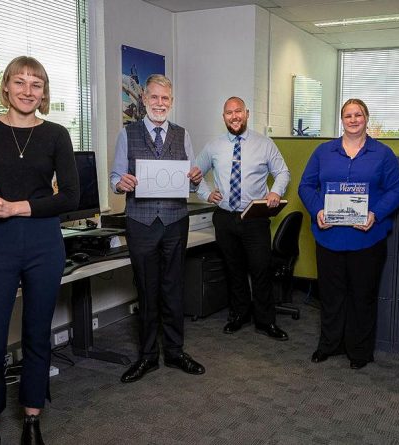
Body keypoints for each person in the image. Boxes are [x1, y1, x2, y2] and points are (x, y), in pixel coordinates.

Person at [0, 56, 79, 445]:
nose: (28, 91)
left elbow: (71, 196)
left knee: (37, 334)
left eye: (37, 84)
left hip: (44, 241)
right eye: (21, 82)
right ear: (6, 86)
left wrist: (15, 206)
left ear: (44, 93)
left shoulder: (57, 134)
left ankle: (31, 419)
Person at [110, 74, 205, 384]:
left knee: (173, 289)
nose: (160, 103)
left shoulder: (182, 134)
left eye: (165, 99)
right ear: (144, 100)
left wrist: (195, 178)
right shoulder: (128, 134)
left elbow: (193, 177)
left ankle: (175, 352)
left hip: (176, 221)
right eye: (154, 98)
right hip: (141, 222)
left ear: (171, 102)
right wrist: (120, 183)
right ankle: (148, 356)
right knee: (147, 290)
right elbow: (115, 177)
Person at [298, 99, 399, 370]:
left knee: (362, 296)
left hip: (367, 238)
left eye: (359, 115)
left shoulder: (382, 153)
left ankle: (359, 351)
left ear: (367, 118)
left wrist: (375, 214)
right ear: (342, 120)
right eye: (348, 115)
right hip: (329, 236)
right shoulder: (324, 152)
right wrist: (317, 210)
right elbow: (306, 186)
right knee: (331, 295)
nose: (353, 119)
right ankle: (329, 344)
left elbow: (397, 191)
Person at [193, 97, 291, 340]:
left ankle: (265, 321)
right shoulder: (213, 146)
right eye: (229, 113)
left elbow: (283, 172)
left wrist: (276, 191)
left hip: (254, 218)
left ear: (246, 113)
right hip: (225, 218)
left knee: (260, 270)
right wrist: (206, 193)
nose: (234, 116)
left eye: (238, 111)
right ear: (223, 117)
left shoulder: (264, 144)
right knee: (233, 270)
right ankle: (239, 315)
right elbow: (194, 174)